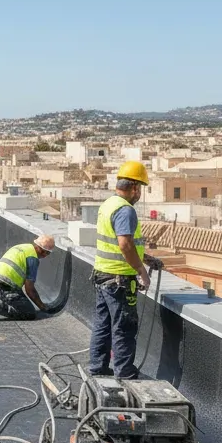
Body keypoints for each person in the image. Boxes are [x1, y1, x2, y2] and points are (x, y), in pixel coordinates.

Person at [89, 161, 162, 378]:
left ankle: (98, 368)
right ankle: (125, 374)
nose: (139, 194)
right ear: (135, 188)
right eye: (140, 189)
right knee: (124, 327)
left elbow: (119, 243)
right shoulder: (125, 210)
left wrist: (146, 258)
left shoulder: (108, 204)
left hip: (102, 275)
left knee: (103, 325)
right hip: (119, 279)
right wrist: (141, 270)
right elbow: (124, 244)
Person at [0, 235, 56, 321]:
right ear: (39, 247)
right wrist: (42, 306)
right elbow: (29, 290)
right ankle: (0, 306)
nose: (45, 255)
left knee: (13, 298)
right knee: (29, 313)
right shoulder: (33, 259)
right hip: (6, 285)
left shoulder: (23, 247)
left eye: (48, 253)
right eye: (45, 252)